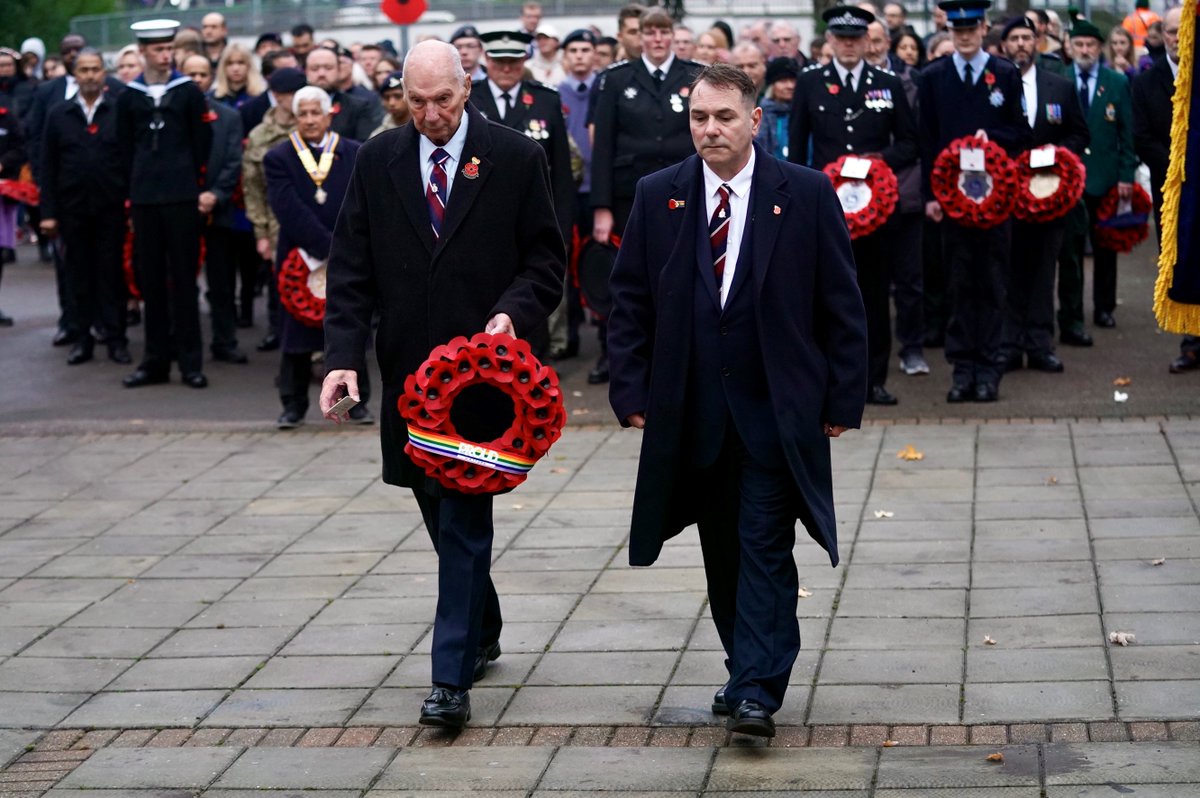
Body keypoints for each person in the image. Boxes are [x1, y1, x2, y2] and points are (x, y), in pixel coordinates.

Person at [607, 63, 867, 739]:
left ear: (756, 120)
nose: (710, 129)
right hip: (694, 412)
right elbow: (629, 299)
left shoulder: (804, 194)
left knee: (763, 546)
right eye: (699, 117)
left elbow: (841, 304)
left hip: (777, 411)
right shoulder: (658, 195)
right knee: (722, 551)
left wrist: (843, 395)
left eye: (724, 117)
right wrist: (631, 388)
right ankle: (743, 665)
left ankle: (757, 687)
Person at [318, 40, 564, 729]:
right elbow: (352, 266)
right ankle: (482, 625)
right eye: (416, 100)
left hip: (483, 382)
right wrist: (343, 356)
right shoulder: (378, 159)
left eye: (443, 100)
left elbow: (546, 260)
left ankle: (449, 680)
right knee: (437, 509)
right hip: (407, 377)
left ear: (467, 89)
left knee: (462, 517)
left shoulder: (516, 156)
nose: (430, 114)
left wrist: (510, 316)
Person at [791, 6, 918, 406]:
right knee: (826, 295)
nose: (848, 45)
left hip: (876, 209)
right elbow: (797, 150)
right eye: (841, 38)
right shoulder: (810, 83)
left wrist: (876, 165)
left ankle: (872, 380)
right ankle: (829, 379)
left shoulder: (887, 82)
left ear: (868, 41)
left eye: (855, 38)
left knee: (875, 296)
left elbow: (910, 143)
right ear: (829, 40)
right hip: (826, 209)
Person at [918, 0, 1030, 403]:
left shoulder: (1004, 73)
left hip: (995, 201)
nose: (964, 35)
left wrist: (992, 139)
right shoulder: (933, 77)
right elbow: (926, 141)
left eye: (971, 28)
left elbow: (1021, 132)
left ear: (984, 28)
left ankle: (989, 369)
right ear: (949, 30)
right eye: (956, 29)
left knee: (993, 282)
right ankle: (962, 369)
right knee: (959, 284)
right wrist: (931, 196)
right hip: (952, 203)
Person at [589, 7, 701, 384]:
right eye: (649, 32)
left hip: (683, 190)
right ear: (638, 36)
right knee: (627, 277)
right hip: (629, 196)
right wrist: (601, 207)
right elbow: (601, 146)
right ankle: (616, 357)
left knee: (683, 272)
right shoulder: (616, 80)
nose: (656, 39)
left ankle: (683, 353)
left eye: (663, 32)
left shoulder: (693, 75)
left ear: (672, 35)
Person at [118, 19, 213, 389]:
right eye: (157, 49)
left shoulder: (188, 91)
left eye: (168, 48)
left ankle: (191, 362)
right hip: (144, 200)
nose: (164, 54)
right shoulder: (129, 96)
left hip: (181, 198)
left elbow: (201, 141)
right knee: (151, 282)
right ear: (142, 52)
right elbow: (124, 148)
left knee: (184, 283)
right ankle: (154, 361)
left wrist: (189, 183)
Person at [265, 86, 363, 427]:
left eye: (315, 113)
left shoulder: (354, 153)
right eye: (302, 114)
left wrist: (342, 248)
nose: (309, 120)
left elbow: (358, 204)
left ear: (329, 114)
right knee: (296, 333)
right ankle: (292, 404)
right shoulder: (278, 157)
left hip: (345, 253)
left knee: (348, 325)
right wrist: (326, 247)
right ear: (295, 117)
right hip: (299, 256)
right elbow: (288, 209)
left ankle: (355, 402)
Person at [996, 17, 1089, 376]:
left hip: (1048, 196)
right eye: (1014, 38)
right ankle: (1008, 345)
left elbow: (1079, 134)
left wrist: (1057, 158)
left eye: (1026, 38)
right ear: (1004, 45)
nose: (1021, 44)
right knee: (1008, 272)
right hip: (1005, 199)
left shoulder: (1060, 87)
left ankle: (1039, 344)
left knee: (1042, 271)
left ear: (1038, 43)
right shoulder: (994, 85)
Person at [26, 32, 125, 346]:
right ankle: (81, 338)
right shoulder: (59, 113)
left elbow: (128, 158)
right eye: (84, 70)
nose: (90, 75)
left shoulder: (119, 109)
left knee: (111, 274)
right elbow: (49, 165)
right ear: (75, 73)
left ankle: (115, 337)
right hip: (73, 209)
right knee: (77, 275)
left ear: (104, 73)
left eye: (96, 69)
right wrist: (48, 213)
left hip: (111, 207)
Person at [1059, 18, 1137, 334]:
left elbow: (1127, 133)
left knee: (1106, 247)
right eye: (1079, 44)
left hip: (1106, 178)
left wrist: (1126, 176)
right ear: (1070, 47)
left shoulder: (1116, 82)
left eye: (1091, 45)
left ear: (1100, 48)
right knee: (1070, 250)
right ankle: (1071, 311)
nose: (1085, 50)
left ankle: (1104, 308)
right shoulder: (1058, 79)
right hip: (1069, 178)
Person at [1131, 8, 1193, 373]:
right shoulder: (1146, 82)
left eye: (1179, 30)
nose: (1174, 37)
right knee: (1179, 264)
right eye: (1169, 32)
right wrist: (1180, 169)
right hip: (1170, 190)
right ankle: (1190, 341)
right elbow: (1142, 138)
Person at [181, 54, 248, 365]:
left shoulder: (228, 116)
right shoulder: (173, 115)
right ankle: (181, 341)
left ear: (211, 77)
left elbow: (234, 161)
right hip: (181, 208)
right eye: (191, 73)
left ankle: (225, 340)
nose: (197, 79)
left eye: (203, 73)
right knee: (181, 280)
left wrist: (214, 195)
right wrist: (190, 195)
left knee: (222, 282)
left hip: (218, 210)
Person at [243, 66, 305, 352]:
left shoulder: (311, 128)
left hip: (309, 217)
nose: (292, 100)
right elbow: (252, 188)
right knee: (279, 280)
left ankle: (315, 348)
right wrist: (261, 233)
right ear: (276, 96)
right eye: (287, 95)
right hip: (273, 219)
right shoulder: (259, 135)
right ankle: (280, 335)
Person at [558, 28, 600, 360]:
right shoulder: (554, 93)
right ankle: (569, 337)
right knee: (567, 265)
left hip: (598, 191)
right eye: (573, 50)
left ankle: (603, 338)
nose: (580, 55)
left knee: (599, 264)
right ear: (565, 56)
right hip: (570, 191)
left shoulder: (604, 88)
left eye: (586, 49)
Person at [305, 46, 378, 142]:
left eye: (328, 68)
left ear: (339, 70)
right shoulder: (293, 106)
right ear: (306, 72)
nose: (321, 73)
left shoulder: (358, 107)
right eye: (315, 69)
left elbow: (364, 145)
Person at [755, 57, 796, 160]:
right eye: (783, 81)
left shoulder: (803, 112)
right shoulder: (762, 115)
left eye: (793, 80)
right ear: (772, 86)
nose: (790, 86)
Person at [212, 44, 265, 111]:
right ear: (223, 67)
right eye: (230, 63)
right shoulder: (213, 97)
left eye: (241, 63)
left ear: (249, 65)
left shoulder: (260, 97)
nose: (235, 68)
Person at [371, 71, 409, 136]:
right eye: (386, 97)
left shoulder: (425, 130)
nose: (391, 103)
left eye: (398, 96)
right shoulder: (379, 135)